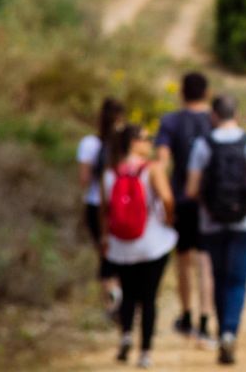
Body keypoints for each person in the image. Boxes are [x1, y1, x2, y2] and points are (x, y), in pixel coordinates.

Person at [186, 94, 246, 365]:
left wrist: (207, 206)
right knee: (237, 281)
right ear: (235, 114)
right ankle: (229, 332)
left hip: (212, 224)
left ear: (213, 115)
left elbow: (191, 189)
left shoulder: (203, 144)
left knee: (219, 278)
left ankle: (221, 329)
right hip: (245, 223)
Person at [101, 124, 177, 370]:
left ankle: (125, 335)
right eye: (146, 138)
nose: (150, 143)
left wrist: (105, 239)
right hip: (151, 242)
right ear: (134, 142)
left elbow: (105, 211)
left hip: (121, 246)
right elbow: (166, 199)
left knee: (129, 295)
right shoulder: (152, 169)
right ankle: (145, 352)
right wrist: (169, 219)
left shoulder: (110, 172)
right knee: (149, 298)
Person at [155, 71, 215, 346]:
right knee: (206, 261)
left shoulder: (171, 121)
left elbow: (162, 160)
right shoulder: (215, 119)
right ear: (207, 92)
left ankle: (186, 315)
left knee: (184, 259)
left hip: (180, 199)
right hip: (211, 202)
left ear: (182, 92)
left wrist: (161, 196)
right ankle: (205, 320)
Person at [77, 97, 125, 318]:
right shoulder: (125, 142)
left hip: (95, 204)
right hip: (120, 205)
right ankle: (124, 295)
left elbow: (84, 179)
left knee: (104, 253)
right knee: (122, 252)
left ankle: (111, 296)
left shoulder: (89, 143)